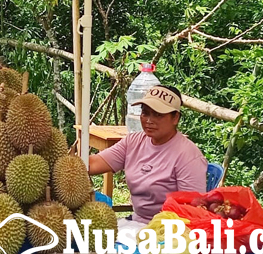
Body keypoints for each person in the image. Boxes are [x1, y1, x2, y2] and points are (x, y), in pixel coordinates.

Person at [88, 84, 208, 223]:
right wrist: (63, 164)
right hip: (135, 222)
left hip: (168, 231)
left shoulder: (188, 156)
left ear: (175, 118)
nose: (149, 120)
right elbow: (93, 163)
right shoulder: (133, 142)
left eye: (158, 114)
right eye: (145, 113)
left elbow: (192, 211)